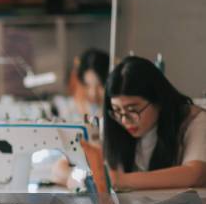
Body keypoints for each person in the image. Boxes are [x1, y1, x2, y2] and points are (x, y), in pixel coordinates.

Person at [104, 56, 206, 190]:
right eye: (117, 110)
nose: (124, 120)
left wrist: (121, 180)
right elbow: (68, 165)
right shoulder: (114, 122)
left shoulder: (193, 120)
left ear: (158, 100)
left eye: (133, 110)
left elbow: (195, 174)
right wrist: (73, 177)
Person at [51, 49, 109, 187]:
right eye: (88, 86)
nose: (93, 93)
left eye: (100, 86)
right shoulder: (72, 109)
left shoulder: (115, 112)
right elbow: (59, 169)